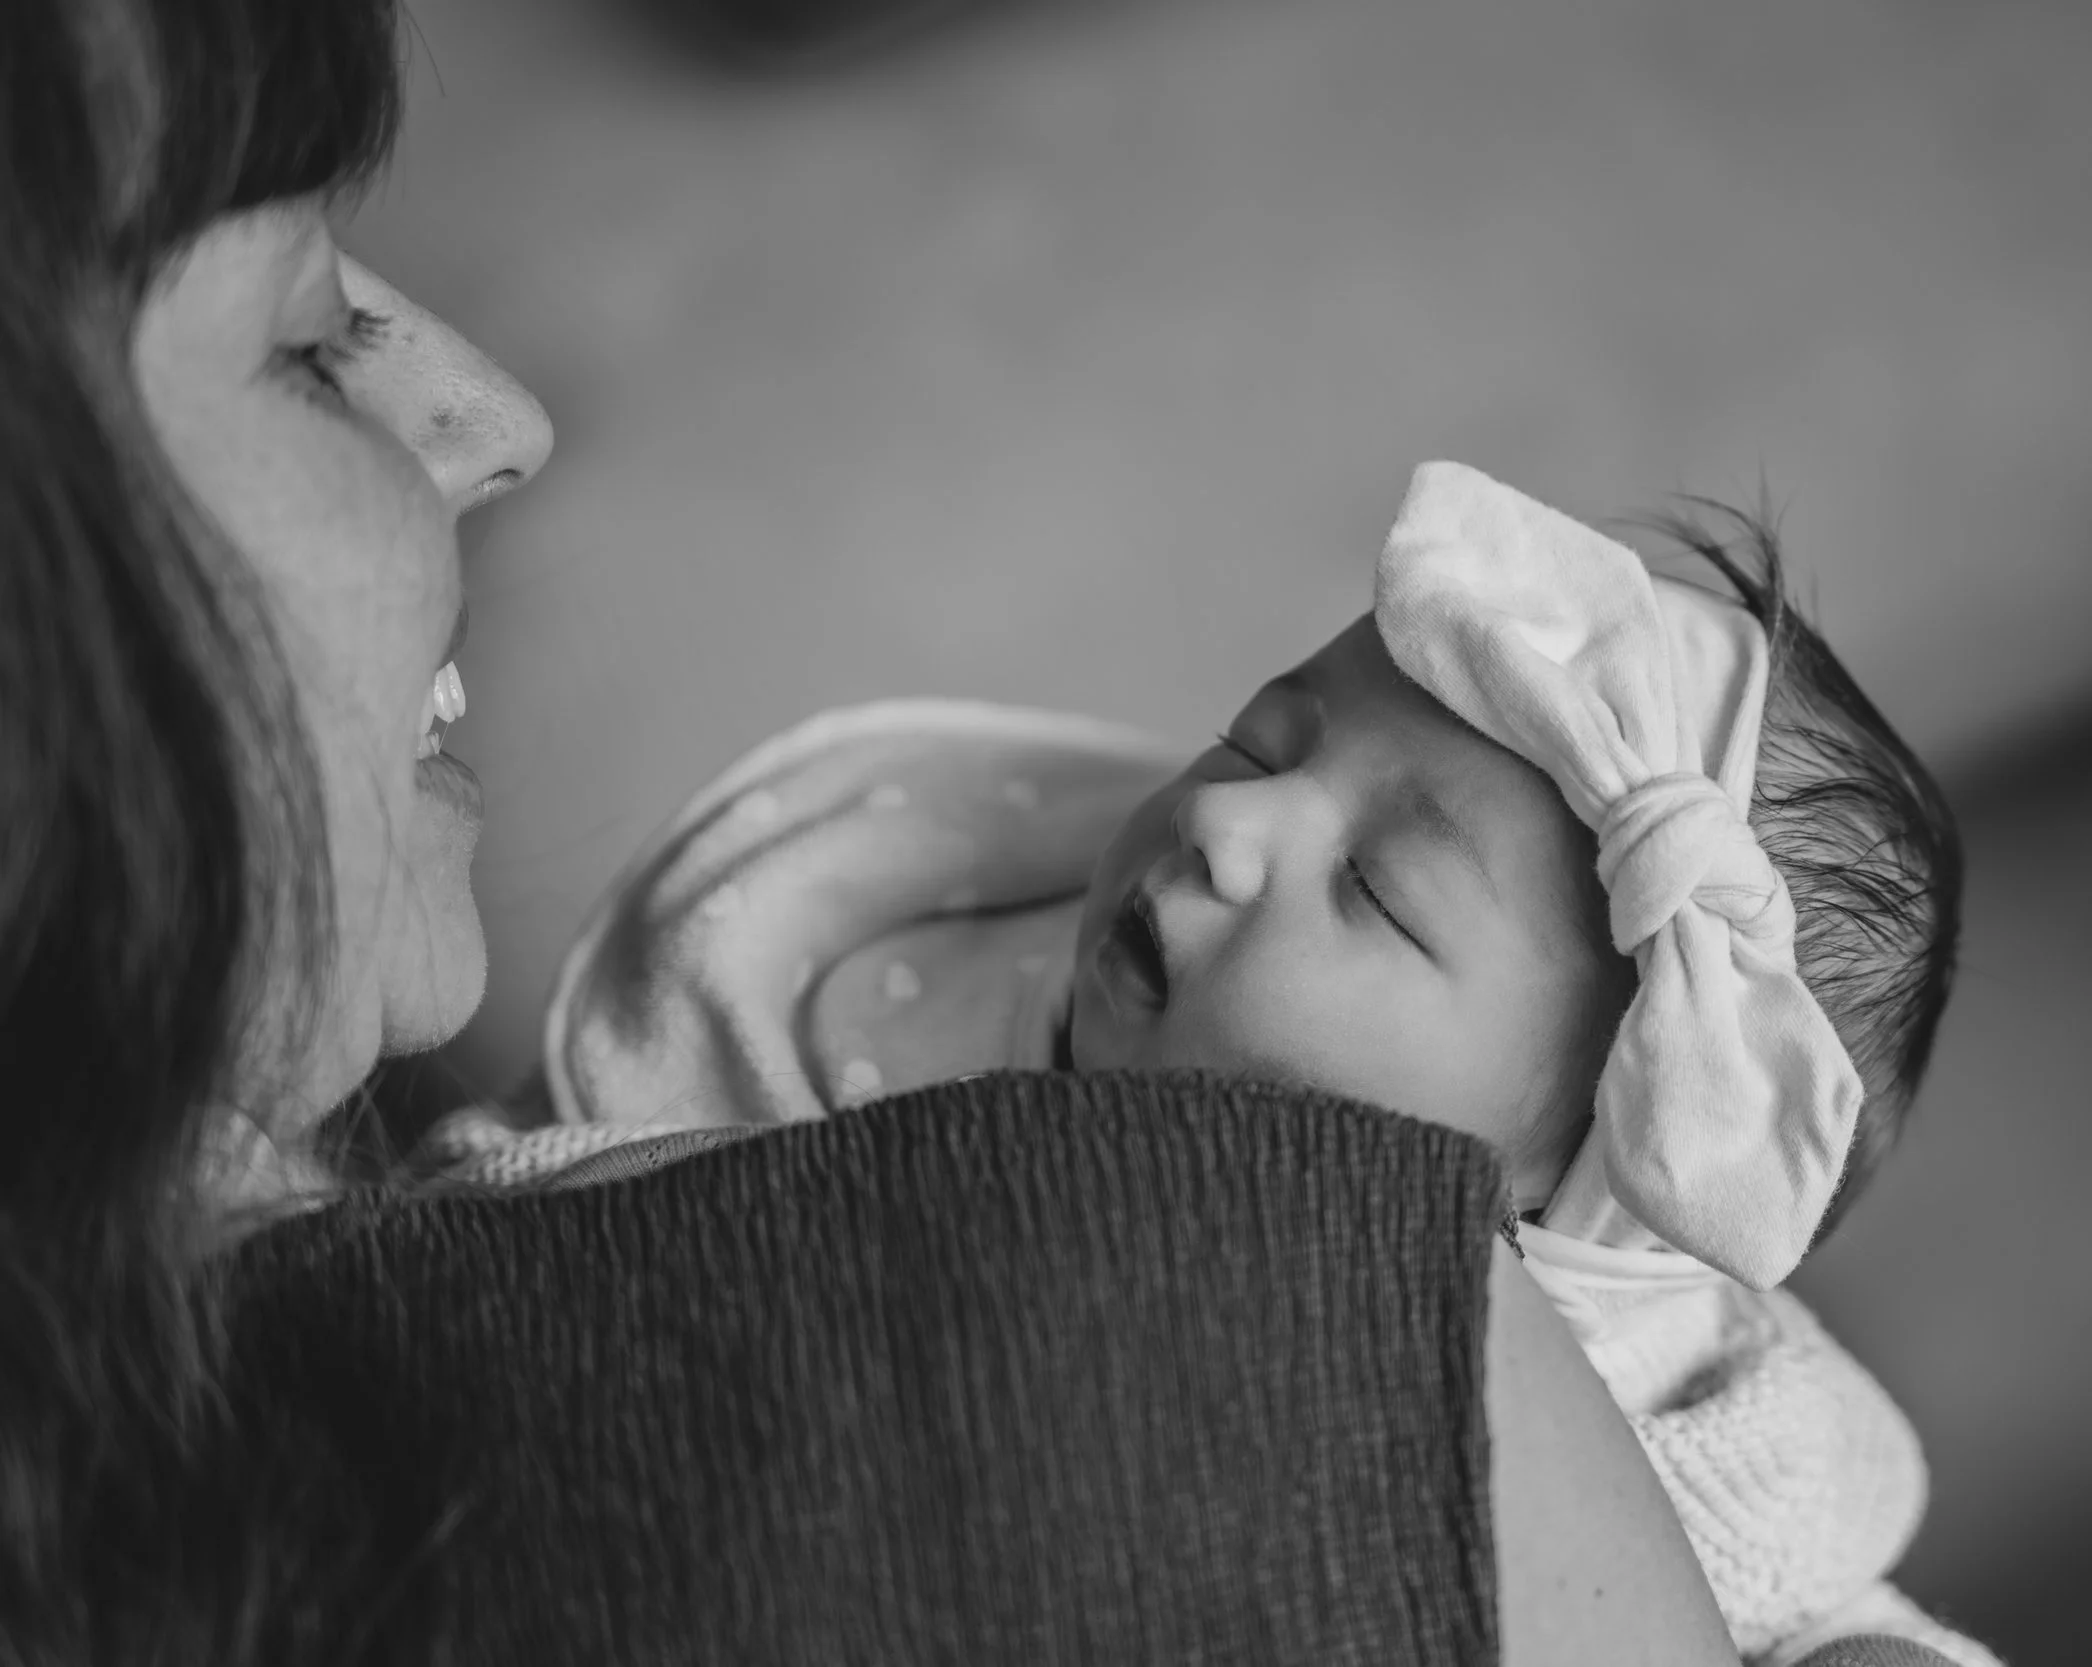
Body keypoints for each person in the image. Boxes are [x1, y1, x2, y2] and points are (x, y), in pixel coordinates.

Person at [0, 3, 1818, 1663]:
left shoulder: (1493, 1365)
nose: (501, 419)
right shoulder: (1261, 1340)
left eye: (1384, 889)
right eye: (313, 345)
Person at [431, 464, 1993, 1664]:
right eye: (1263, 739)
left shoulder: (1654, 1422)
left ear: (1545, 1205)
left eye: (1380, 892)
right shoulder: (900, 965)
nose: (1234, 825)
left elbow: (1805, 1612)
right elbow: (549, 1220)